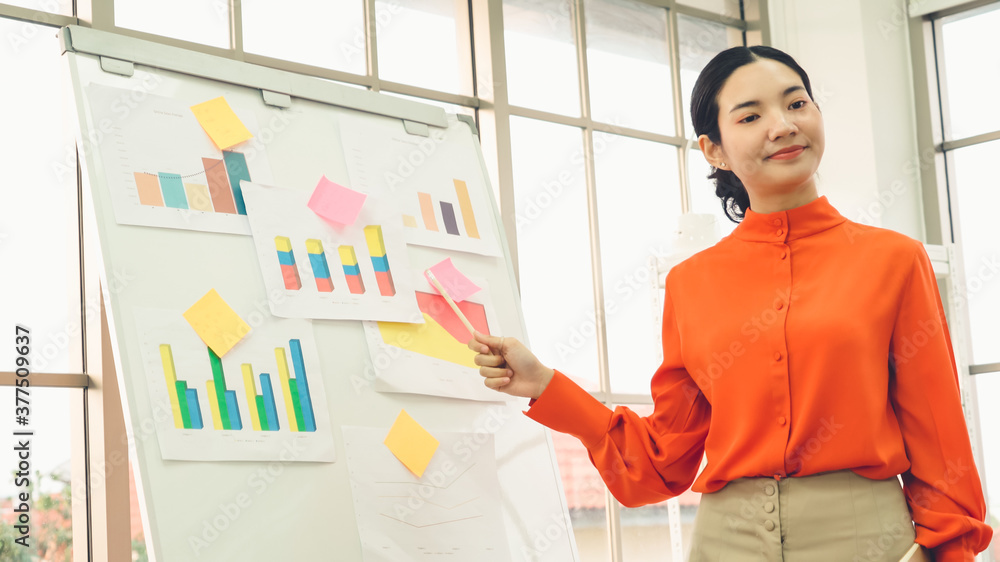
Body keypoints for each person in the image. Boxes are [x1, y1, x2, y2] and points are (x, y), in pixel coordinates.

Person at [469, 45, 993, 561]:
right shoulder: (691, 283)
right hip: (727, 542)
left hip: (865, 539)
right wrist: (544, 385)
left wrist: (939, 552)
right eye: (750, 115)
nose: (783, 125)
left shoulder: (894, 260)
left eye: (796, 103)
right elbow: (661, 463)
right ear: (713, 149)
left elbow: (940, 442)